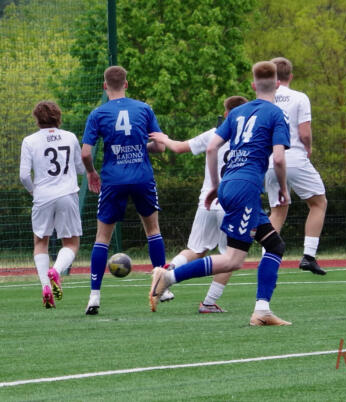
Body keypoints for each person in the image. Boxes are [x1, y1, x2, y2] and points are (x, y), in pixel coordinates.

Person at [149, 61, 292, 326]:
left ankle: (262, 310)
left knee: (275, 245)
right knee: (233, 259)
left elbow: (212, 148)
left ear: (253, 85)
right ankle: (169, 276)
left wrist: (215, 185)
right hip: (246, 188)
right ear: (278, 84)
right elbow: (280, 159)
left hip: (230, 185)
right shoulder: (276, 114)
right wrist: (282, 188)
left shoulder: (236, 114)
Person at [149, 95, 248, 312]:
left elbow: (179, 148)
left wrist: (164, 139)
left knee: (195, 249)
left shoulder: (214, 134)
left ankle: (166, 271)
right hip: (232, 203)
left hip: (207, 201)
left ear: (225, 114)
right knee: (229, 257)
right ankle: (209, 302)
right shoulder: (251, 138)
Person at [82, 65, 166, 315]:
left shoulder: (98, 113)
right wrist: (142, 147)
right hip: (142, 177)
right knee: (152, 230)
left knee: (102, 238)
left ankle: (94, 297)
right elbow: (160, 147)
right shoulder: (144, 108)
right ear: (126, 84)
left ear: (105, 86)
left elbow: (85, 153)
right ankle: (163, 288)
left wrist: (91, 172)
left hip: (113, 179)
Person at [265, 57, 328, 275]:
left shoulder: (264, 100)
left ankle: (267, 260)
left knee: (277, 211)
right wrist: (308, 148)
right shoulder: (300, 97)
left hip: (270, 160)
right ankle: (309, 256)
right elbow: (304, 132)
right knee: (318, 203)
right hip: (294, 157)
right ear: (290, 76)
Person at [19, 101, 85, 308]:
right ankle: (56, 271)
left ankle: (46, 287)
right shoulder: (70, 137)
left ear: (37, 119)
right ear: (58, 117)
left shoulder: (29, 141)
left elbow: (24, 175)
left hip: (42, 196)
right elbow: (81, 168)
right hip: (67, 194)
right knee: (71, 243)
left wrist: (33, 190)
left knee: (40, 242)